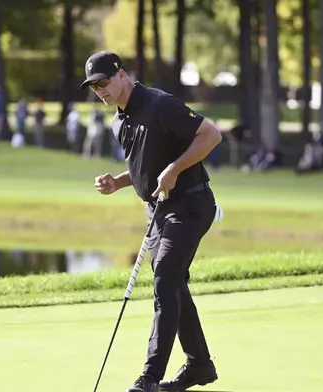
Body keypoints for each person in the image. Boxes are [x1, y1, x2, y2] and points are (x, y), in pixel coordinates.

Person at [80, 51, 222, 392]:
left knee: (165, 280)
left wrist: (175, 169)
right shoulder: (119, 121)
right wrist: (118, 181)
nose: (100, 90)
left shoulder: (160, 104)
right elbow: (144, 165)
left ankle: (149, 378)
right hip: (159, 213)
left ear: (121, 75)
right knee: (172, 283)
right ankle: (199, 365)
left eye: (104, 82)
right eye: (94, 86)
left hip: (190, 205)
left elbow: (211, 135)